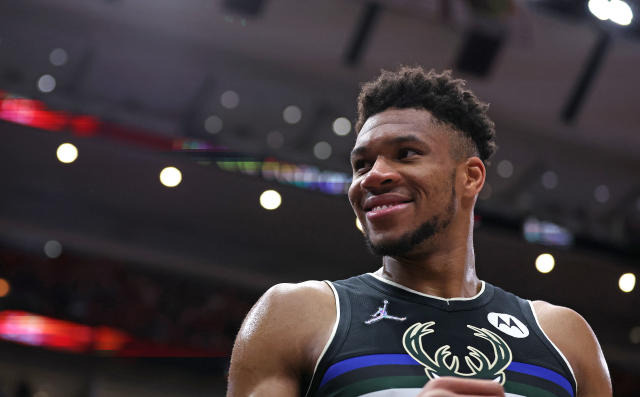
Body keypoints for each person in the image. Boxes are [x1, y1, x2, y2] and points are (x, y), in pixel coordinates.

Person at [227, 67, 612, 397]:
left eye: (406, 153)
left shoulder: (564, 338)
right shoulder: (296, 313)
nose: (373, 176)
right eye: (361, 164)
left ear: (470, 177)